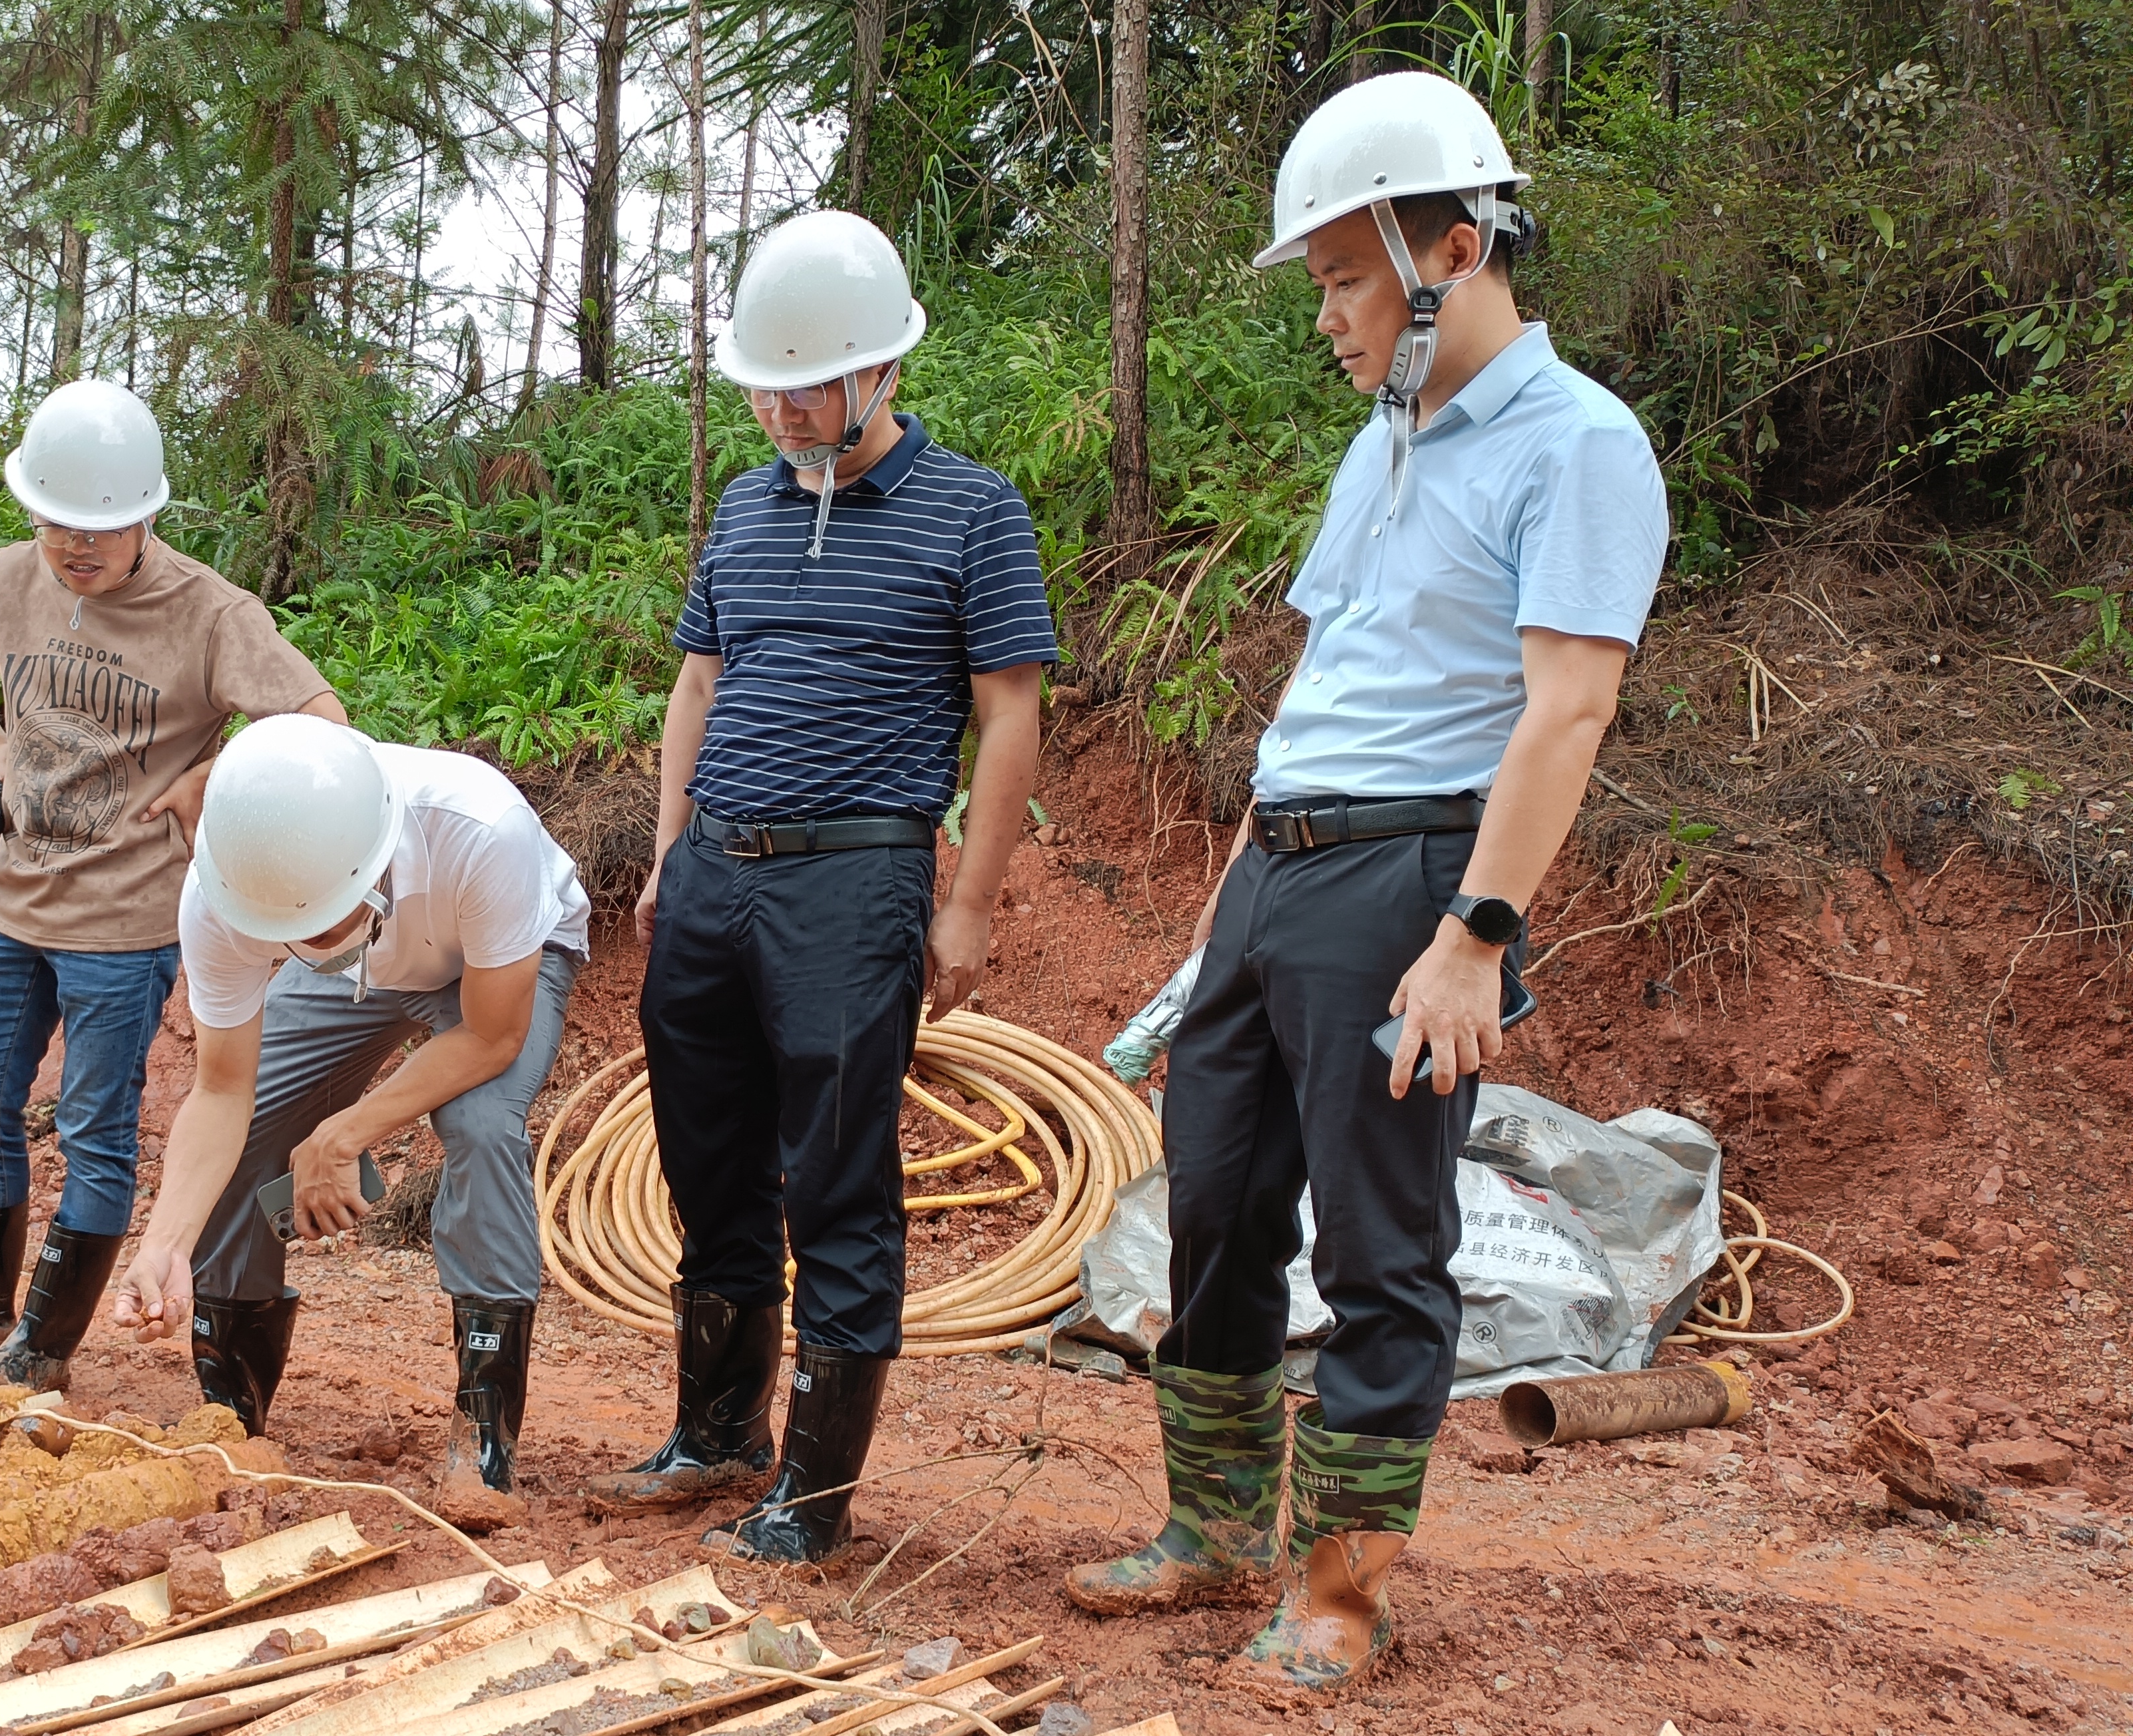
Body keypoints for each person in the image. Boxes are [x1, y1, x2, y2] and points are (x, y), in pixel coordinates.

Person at [1061, 72, 1667, 1701]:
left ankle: (1339, 1591)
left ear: (1451, 251)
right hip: (1279, 866)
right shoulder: (1382, 438)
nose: (1323, 315)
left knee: (1383, 1250)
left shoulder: (1576, 446)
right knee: (1213, 1211)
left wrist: (1473, 933)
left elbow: (1566, 707)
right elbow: (1327, 684)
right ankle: (1209, 1529)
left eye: (1340, 279)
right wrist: (1214, 920)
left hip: (1410, 874)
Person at [584, 210, 1055, 1564]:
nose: (781, 406)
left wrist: (963, 902)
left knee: (836, 1179)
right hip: (714, 873)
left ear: (879, 373)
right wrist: (671, 847)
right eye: (762, 382)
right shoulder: (741, 504)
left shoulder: (971, 509)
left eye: (806, 382)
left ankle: (813, 1494)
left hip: (853, 883)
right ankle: (717, 1433)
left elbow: (1008, 712)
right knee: (708, 1159)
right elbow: (698, 682)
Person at [0, 377, 346, 1393]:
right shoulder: (8, 582)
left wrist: (206, 779)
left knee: (94, 1128)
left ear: (148, 514)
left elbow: (320, 720)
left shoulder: (211, 613)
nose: (77, 549)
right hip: (14, 902)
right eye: (57, 527)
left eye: (102, 530)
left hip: (126, 927)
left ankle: (42, 1350)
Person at [107, 714, 589, 1531]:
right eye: (283, 933)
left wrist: (345, 1130)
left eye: (320, 921)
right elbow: (221, 1090)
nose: (301, 941)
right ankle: (232, 1414)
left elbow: (492, 1035)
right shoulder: (229, 894)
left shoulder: (480, 830)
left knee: (478, 1121)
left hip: (489, 965)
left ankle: (483, 1436)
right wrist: (163, 1242)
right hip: (367, 970)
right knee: (256, 1123)